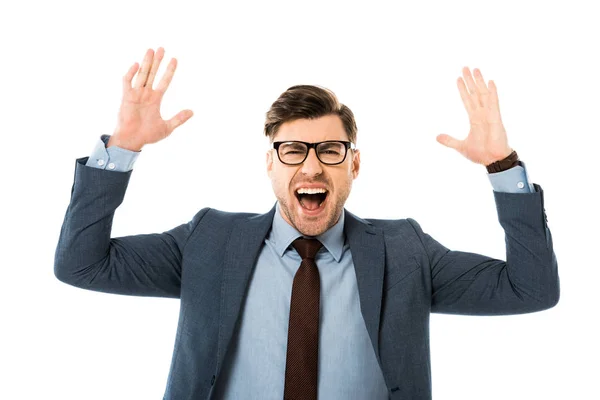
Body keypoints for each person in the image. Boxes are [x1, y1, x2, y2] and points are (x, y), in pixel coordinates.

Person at [54, 47, 559, 400]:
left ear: (354, 165)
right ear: (270, 164)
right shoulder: (208, 240)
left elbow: (530, 290)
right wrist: (122, 149)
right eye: (293, 150)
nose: (312, 167)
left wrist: (502, 167)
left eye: (331, 151)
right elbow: (81, 264)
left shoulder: (406, 251)